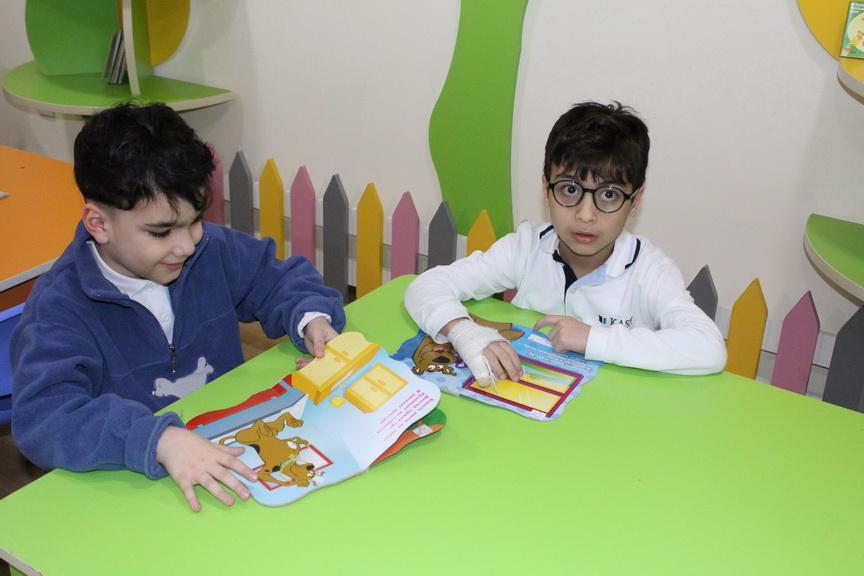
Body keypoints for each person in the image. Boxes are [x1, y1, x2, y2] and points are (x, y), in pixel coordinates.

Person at [11, 103, 346, 512]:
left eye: (195, 220)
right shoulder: (60, 307)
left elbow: (274, 277)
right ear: (99, 224)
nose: (186, 245)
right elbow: (45, 418)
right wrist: (158, 440)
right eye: (162, 231)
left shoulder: (210, 250)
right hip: (134, 489)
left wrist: (311, 317)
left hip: (230, 455)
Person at [404, 101, 726, 385]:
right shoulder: (526, 247)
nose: (585, 215)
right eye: (570, 190)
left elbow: (708, 348)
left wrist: (592, 338)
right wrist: (464, 332)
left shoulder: (649, 269)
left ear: (635, 200)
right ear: (546, 189)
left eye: (609, 194)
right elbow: (425, 286)